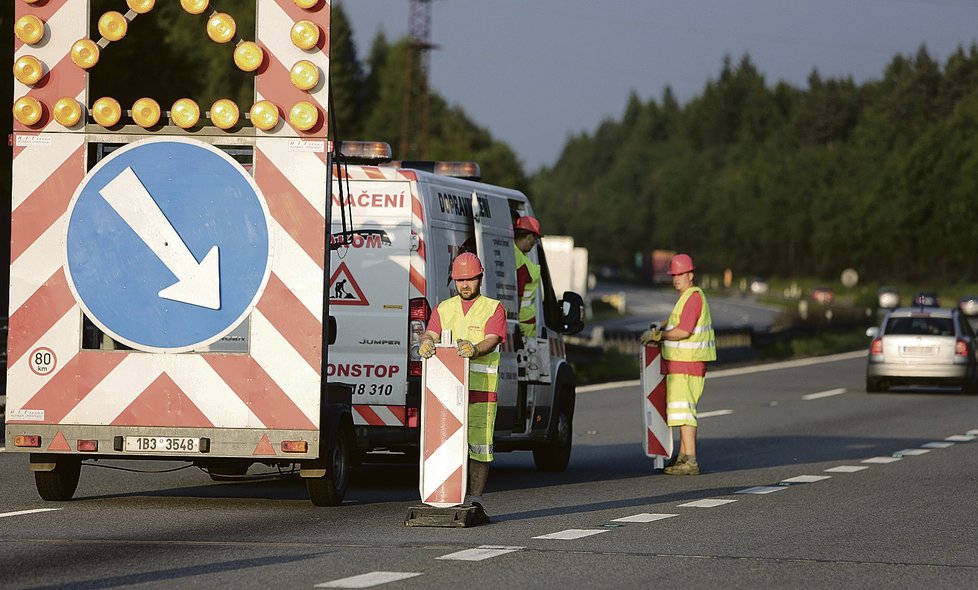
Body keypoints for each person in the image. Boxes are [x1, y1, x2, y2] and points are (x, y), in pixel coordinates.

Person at [418, 252, 506, 523]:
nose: (465, 285)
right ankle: (443, 495)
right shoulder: (444, 308)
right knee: (445, 442)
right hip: (446, 392)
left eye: (470, 279)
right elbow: (431, 333)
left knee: (479, 447)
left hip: (481, 389)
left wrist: (475, 349)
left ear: (480, 278)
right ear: (453, 281)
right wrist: (425, 342)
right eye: (460, 280)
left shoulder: (493, 308)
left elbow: (492, 339)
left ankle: (476, 500)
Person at [641, 253, 716, 476]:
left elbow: (684, 331)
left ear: (690, 274)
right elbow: (680, 322)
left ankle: (690, 461)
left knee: (685, 413)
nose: (676, 279)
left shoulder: (693, 297)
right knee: (681, 412)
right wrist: (664, 326)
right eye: (674, 275)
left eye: (680, 274)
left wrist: (659, 336)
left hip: (688, 365)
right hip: (681, 366)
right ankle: (683, 457)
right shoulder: (685, 298)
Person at [513, 216, 542, 341]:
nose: (533, 245)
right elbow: (518, 295)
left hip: (521, 323)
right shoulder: (521, 262)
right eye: (535, 241)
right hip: (524, 325)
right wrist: (515, 325)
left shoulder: (514, 253)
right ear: (529, 237)